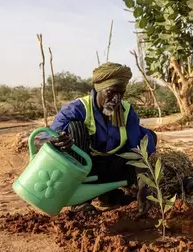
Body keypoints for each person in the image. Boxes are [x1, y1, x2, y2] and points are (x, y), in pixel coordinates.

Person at [37, 62, 157, 214]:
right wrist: (57, 141)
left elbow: (139, 153)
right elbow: (42, 141)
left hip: (111, 168)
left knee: (147, 138)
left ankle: (109, 193)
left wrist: (143, 191)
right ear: (98, 89)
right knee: (75, 128)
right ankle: (80, 203)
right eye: (111, 92)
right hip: (84, 170)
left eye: (121, 93)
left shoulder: (126, 111)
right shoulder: (76, 109)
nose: (116, 99)